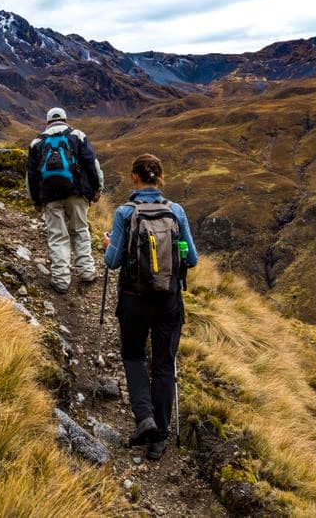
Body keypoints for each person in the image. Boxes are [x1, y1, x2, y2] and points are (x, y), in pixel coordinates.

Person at [103, 154, 198, 460]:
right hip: (169, 300)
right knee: (164, 364)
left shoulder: (124, 213)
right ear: (160, 178)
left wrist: (108, 246)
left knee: (133, 356)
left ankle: (144, 419)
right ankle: (161, 436)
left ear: (134, 178)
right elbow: (192, 259)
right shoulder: (176, 211)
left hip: (134, 299)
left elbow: (112, 262)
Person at [26, 107, 104, 294]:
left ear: (47, 122)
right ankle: (86, 271)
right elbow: (92, 164)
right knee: (80, 231)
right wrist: (96, 189)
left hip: (50, 196)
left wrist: (35, 200)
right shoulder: (77, 135)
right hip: (76, 193)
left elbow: (31, 176)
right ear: (65, 119)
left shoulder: (37, 142)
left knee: (57, 236)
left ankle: (61, 280)